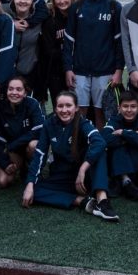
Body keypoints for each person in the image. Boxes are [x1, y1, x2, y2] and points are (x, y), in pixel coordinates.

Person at [21, 91, 118, 222]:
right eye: (60, 106)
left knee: (99, 151)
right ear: (55, 108)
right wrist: (30, 183)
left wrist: (83, 169)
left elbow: (99, 142)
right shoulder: (49, 124)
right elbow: (40, 154)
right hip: (63, 175)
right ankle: (82, 201)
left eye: (68, 105)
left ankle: (102, 201)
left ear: (76, 107)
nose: (64, 110)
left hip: (85, 176)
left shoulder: (84, 123)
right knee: (33, 191)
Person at [63, 0, 124, 128]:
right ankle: (78, 149)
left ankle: (100, 150)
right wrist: (68, 68)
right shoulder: (77, 7)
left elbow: (120, 43)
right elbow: (68, 41)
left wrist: (119, 70)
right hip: (80, 71)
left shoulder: (114, 7)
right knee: (79, 112)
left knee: (101, 113)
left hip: (105, 71)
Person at [102, 90, 138, 200]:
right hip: (120, 158)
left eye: (133, 106)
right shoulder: (114, 119)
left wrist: (123, 132)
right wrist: (134, 136)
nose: (129, 110)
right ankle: (127, 182)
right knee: (118, 147)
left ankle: (122, 181)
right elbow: (105, 139)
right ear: (119, 108)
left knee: (136, 147)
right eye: (125, 106)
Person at [0, 77, 44, 189]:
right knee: (2, 182)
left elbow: (39, 130)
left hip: (25, 147)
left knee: (34, 145)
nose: (14, 93)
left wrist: (14, 144)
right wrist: (5, 163)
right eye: (11, 89)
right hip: (13, 151)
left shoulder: (32, 104)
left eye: (18, 89)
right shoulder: (1, 107)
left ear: (25, 92)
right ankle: (19, 167)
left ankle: (32, 170)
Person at [36, 0, 73, 109]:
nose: (62, 1)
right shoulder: (50, 19)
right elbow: (49, 50)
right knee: (61, 106)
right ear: (53, 0)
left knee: (79, 105)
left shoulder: (77, 16)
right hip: (56, 71)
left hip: (77, 69)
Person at [6, 0, 43, 91]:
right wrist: (11, 24)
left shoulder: (39, 20)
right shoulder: (4, 17)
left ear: (32, 0)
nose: (23, 1)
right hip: (6, 75)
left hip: (29, 75)